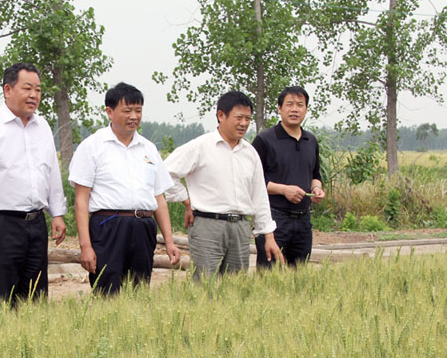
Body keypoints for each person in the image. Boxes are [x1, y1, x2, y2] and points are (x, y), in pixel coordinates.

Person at [0, 62, 67, 305]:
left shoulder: (42, 127)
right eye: (27, 88)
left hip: (36, 223)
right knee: (2, 296)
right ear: (8, 90)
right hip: (2, 224)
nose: (34, 95)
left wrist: (57, 214)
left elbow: (51, 172)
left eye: (38, 90)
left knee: (36, 294)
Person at [68, 83, 182, 294]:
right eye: (127, 110)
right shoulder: (93, 146)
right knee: (107, 290)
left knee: (139, 290)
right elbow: (81, 200)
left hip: (143, 227)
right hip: (108, 226)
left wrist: (169, 241)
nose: (134, 116)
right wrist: (85, 246)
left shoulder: (148, 148)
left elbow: (159, 199)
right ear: (109, 112)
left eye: (138, 110)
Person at [164, 91, 283, 279]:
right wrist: (186, 201)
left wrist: (268, 235)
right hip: (207, 225)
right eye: (239, 118)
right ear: (221, 115)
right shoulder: (200, 146)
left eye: (247, 119)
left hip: (241, 227)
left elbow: (259, 196)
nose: (243, 123)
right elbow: (165, 173)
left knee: (235, 285)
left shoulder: (250, 153)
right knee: (204, 285)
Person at [253, 86, 325, 267]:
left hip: (303, 220)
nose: (295, 109)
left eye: (300, 105)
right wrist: (284, 190)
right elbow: (252, 181)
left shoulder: (311, 141)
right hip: (273, 218)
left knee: (299, 274)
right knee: (269, 274)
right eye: (289, 104)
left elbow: (315, 174)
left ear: (306, 109)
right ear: (279, 108)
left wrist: (316, 188)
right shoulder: (264, 140)